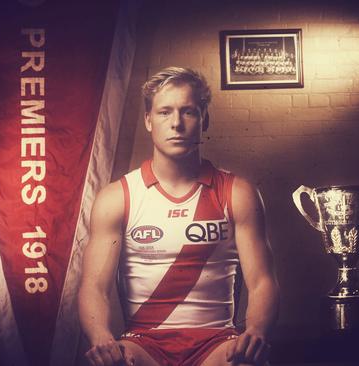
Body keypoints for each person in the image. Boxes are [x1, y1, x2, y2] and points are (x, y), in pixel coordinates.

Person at [78, 67, 279, 366]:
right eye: (164, 112)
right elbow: (94, 286)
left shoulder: (238, 193)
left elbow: (262, 281)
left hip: (217, 342)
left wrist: (256, 332)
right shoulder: (117, 197)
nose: (176, 123)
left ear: (204, 119)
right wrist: (100, 337)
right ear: (148, 120)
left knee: (245, 362)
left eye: (188, 112)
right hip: (142, 343)